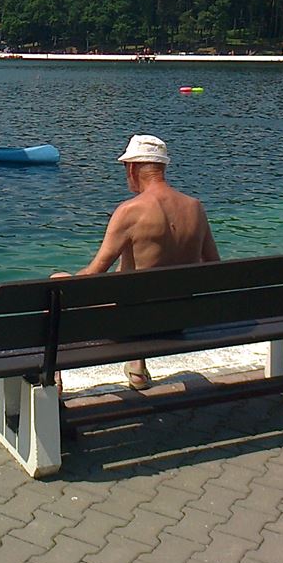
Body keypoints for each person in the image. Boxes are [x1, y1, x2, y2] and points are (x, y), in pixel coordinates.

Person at [52, 134, 219, 391]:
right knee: (130, 270)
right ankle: (137, 368)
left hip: (132, 325)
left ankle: (51, 378)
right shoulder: (195, 207)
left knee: (55, 284)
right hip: (179, 322)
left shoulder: (130, 211)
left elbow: (95, 273)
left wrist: (66, 280)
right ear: (162, 166)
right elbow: (214, 267)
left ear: (132, 168)